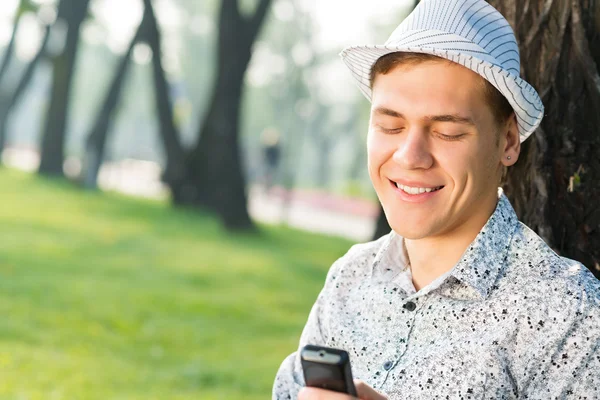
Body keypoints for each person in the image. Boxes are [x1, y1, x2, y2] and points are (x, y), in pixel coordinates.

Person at [272, 0, 600, 399]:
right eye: (390, 125)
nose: (410, 156)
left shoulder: (565, 311)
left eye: (448, 132)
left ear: (508, 141)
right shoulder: (349, 279)